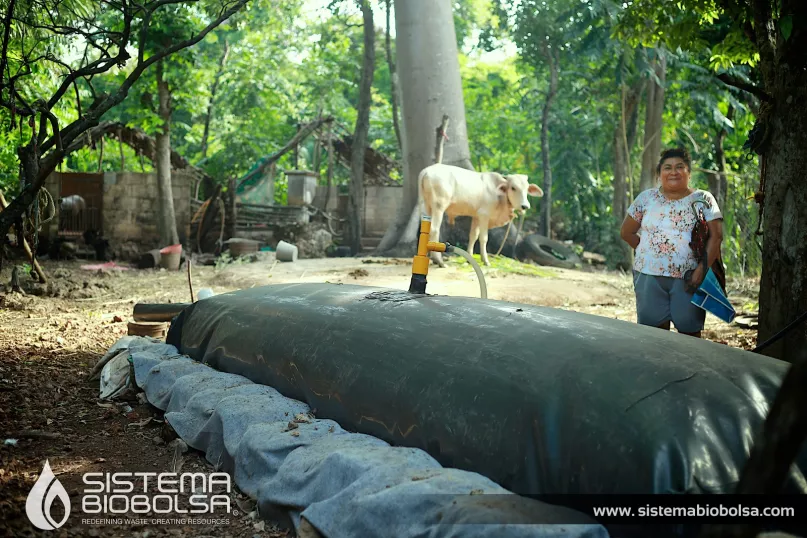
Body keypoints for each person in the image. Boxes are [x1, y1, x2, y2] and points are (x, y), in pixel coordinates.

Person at [620, 147, 724, 338]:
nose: (673, 172)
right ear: (659, 174)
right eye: (667, 167)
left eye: (680, 167)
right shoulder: (646, 199)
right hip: (648, 276)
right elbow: (626, 232)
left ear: (689, 173)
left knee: (689, 334)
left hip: (689, 278)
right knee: (654, 337)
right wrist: (650, 251)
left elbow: (716, 237)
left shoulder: (703, 199)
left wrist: (700, 271)